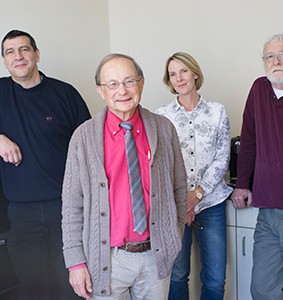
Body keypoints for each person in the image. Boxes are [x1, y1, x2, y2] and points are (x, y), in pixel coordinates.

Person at [61, 53, 187, 300]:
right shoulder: (83, 137)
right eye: (113, 84)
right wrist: (75, 262)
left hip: (155, 256)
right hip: (106, 258)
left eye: (129, 81)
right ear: (100, 90)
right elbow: (72, 204)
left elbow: (179, 188)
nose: (122, 91)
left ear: (141, 83)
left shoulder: (163, 129)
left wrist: (174, 234)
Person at [0, 29, 91, 300]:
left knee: (71, 287)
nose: (18, 56)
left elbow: (89, 147)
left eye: (24, 49)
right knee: (33, 289)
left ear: (37, 54)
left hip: (66, 210)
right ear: (5, 61)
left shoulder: (65, 94)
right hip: (20, 214)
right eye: (10, 52)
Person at [156, 52, 232, 300]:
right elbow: (162, 163)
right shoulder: (162, 116)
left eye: (183, 71)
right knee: (177, 274)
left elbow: (222, 158)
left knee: (214, 277)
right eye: (173, 74)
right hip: (175, 207)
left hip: (211, 203)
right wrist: (183, 199)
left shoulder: (217, 112)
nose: (179, 78)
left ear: (195, 73)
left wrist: (197, 195)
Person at [231, 33, 283, 300]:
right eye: (269, 56)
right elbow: (248, 138)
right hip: (267, 207)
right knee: (263, 287)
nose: (276, 61)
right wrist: (242, 184)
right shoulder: (260, 88)